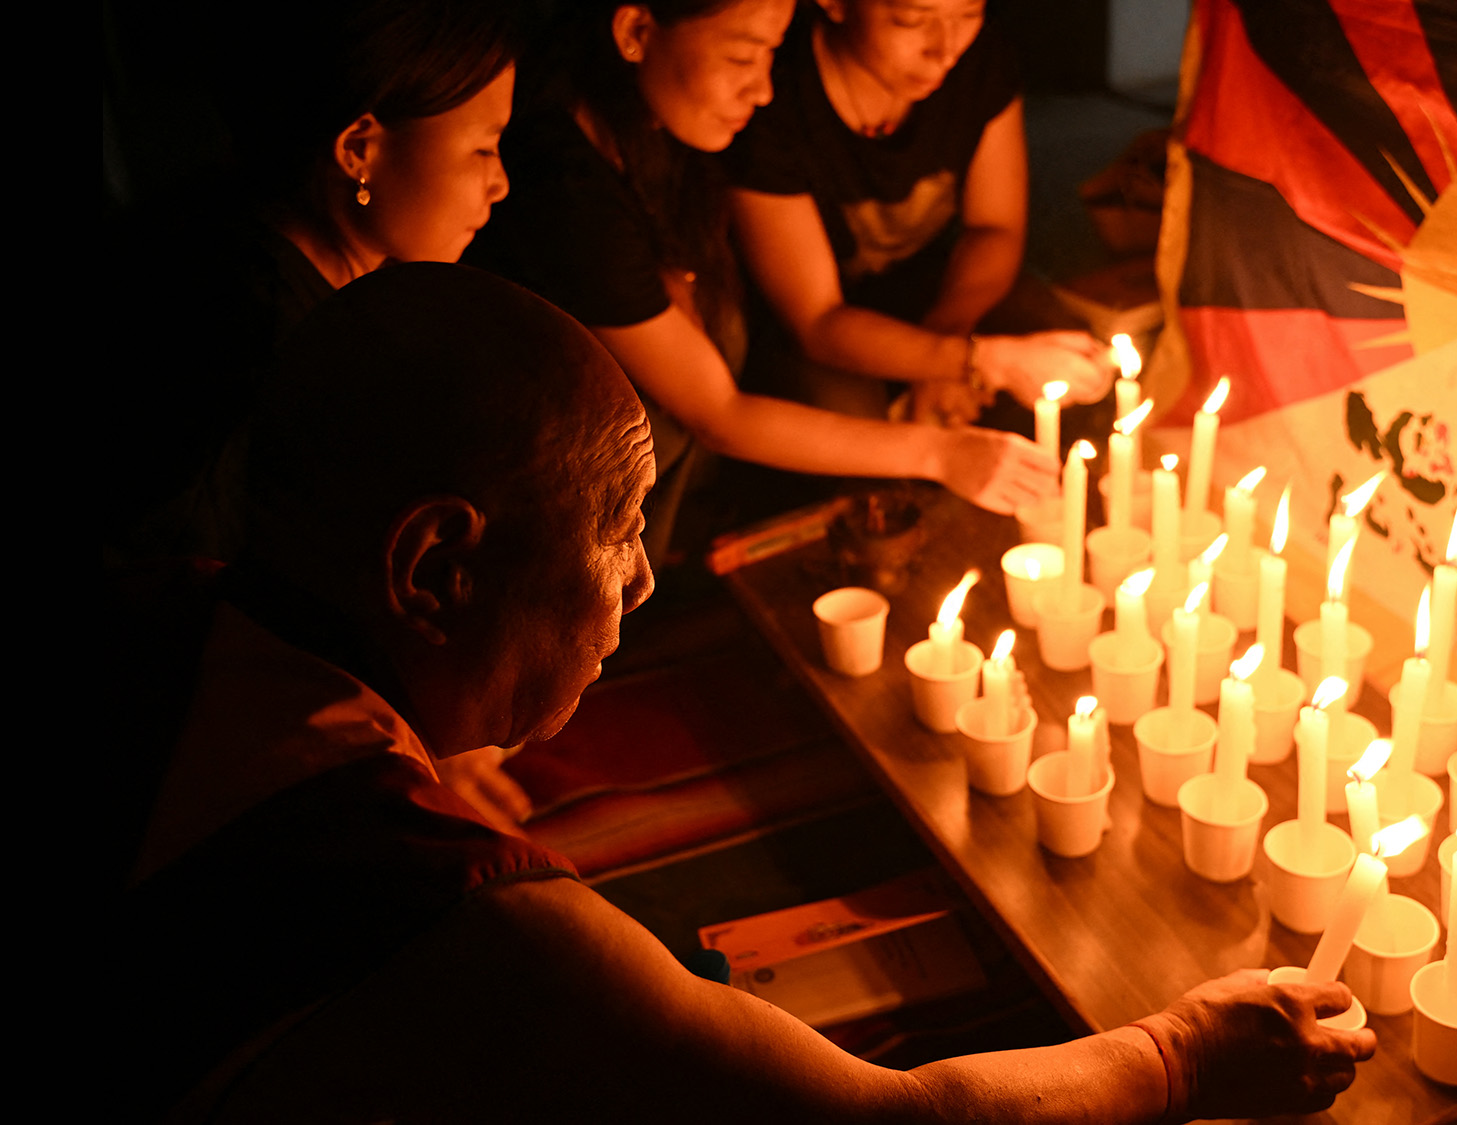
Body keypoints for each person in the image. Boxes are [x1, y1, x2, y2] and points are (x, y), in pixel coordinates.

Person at [116, 263, 1374, 1122]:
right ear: (435, 568)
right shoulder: (456, 918)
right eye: (614, 530)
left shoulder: (162, 602)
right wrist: (1175, 1054)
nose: (644, 586)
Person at [467, 0, 1087, 561]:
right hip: (518, 458)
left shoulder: (657, 130)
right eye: (742, 56)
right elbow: (720, 409)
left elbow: (997, 229)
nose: (764, 90)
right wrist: (944, 450)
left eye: (771, 54)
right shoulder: (566, 186)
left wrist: (962, 362)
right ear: (635, 29)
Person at [106, 0, 519, 562]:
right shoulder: (256, 343)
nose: (500, 185)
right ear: (359, 149)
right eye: (483, 148)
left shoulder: (331, 296)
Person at [727, 0, 1098, 427]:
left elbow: (994, 228)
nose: (945, 49)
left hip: (925, 284)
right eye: (912, 20)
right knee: (845, 411)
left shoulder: (977, 63)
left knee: (1063, 343)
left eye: (967, 16)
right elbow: (817, 321)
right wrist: (972, 362)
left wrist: (948, 340)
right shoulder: (773, 95)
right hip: (802, 318)